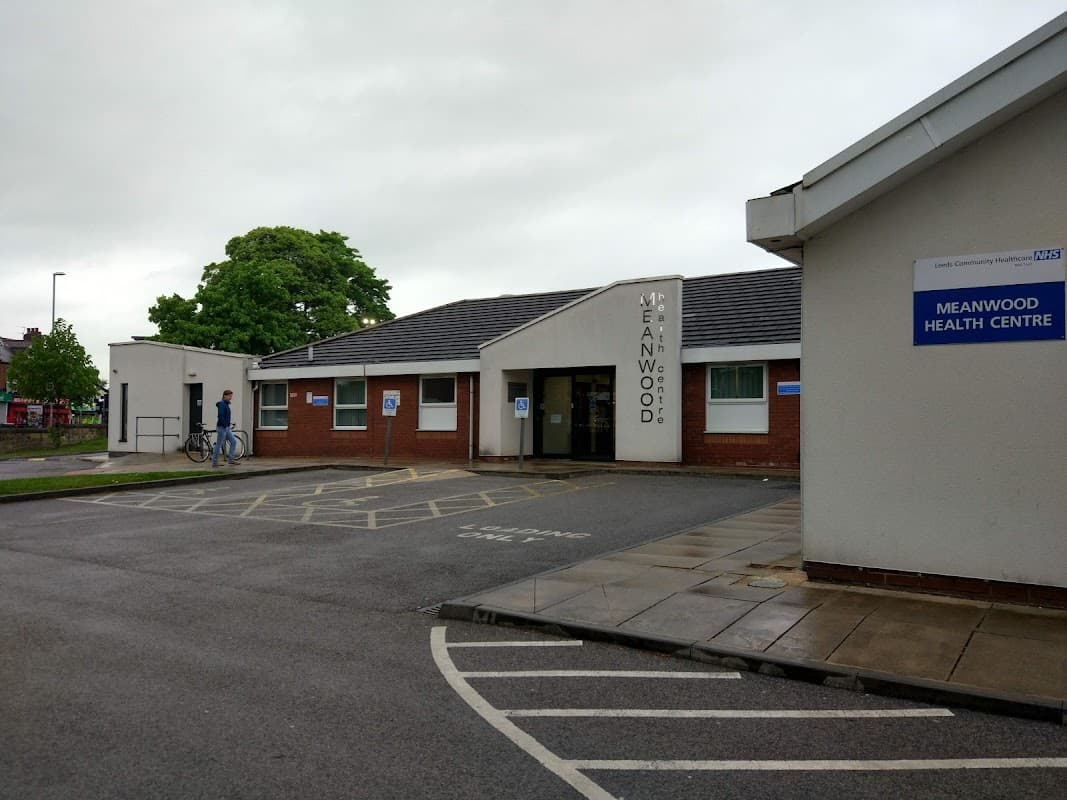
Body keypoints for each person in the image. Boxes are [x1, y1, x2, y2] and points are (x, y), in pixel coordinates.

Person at [211, 389, 240, 467]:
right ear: (225, 396)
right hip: (221, 427)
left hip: (226, 427)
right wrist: (224, 425)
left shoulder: (226, 404)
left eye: (231, 396)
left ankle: (231, 459)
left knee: (233, 441)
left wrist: (229, 423)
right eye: (230, 396)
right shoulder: (222, 404)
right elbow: (220, 416)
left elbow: (225, 417)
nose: (231, 398)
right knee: (219, 444)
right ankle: (214, 462)